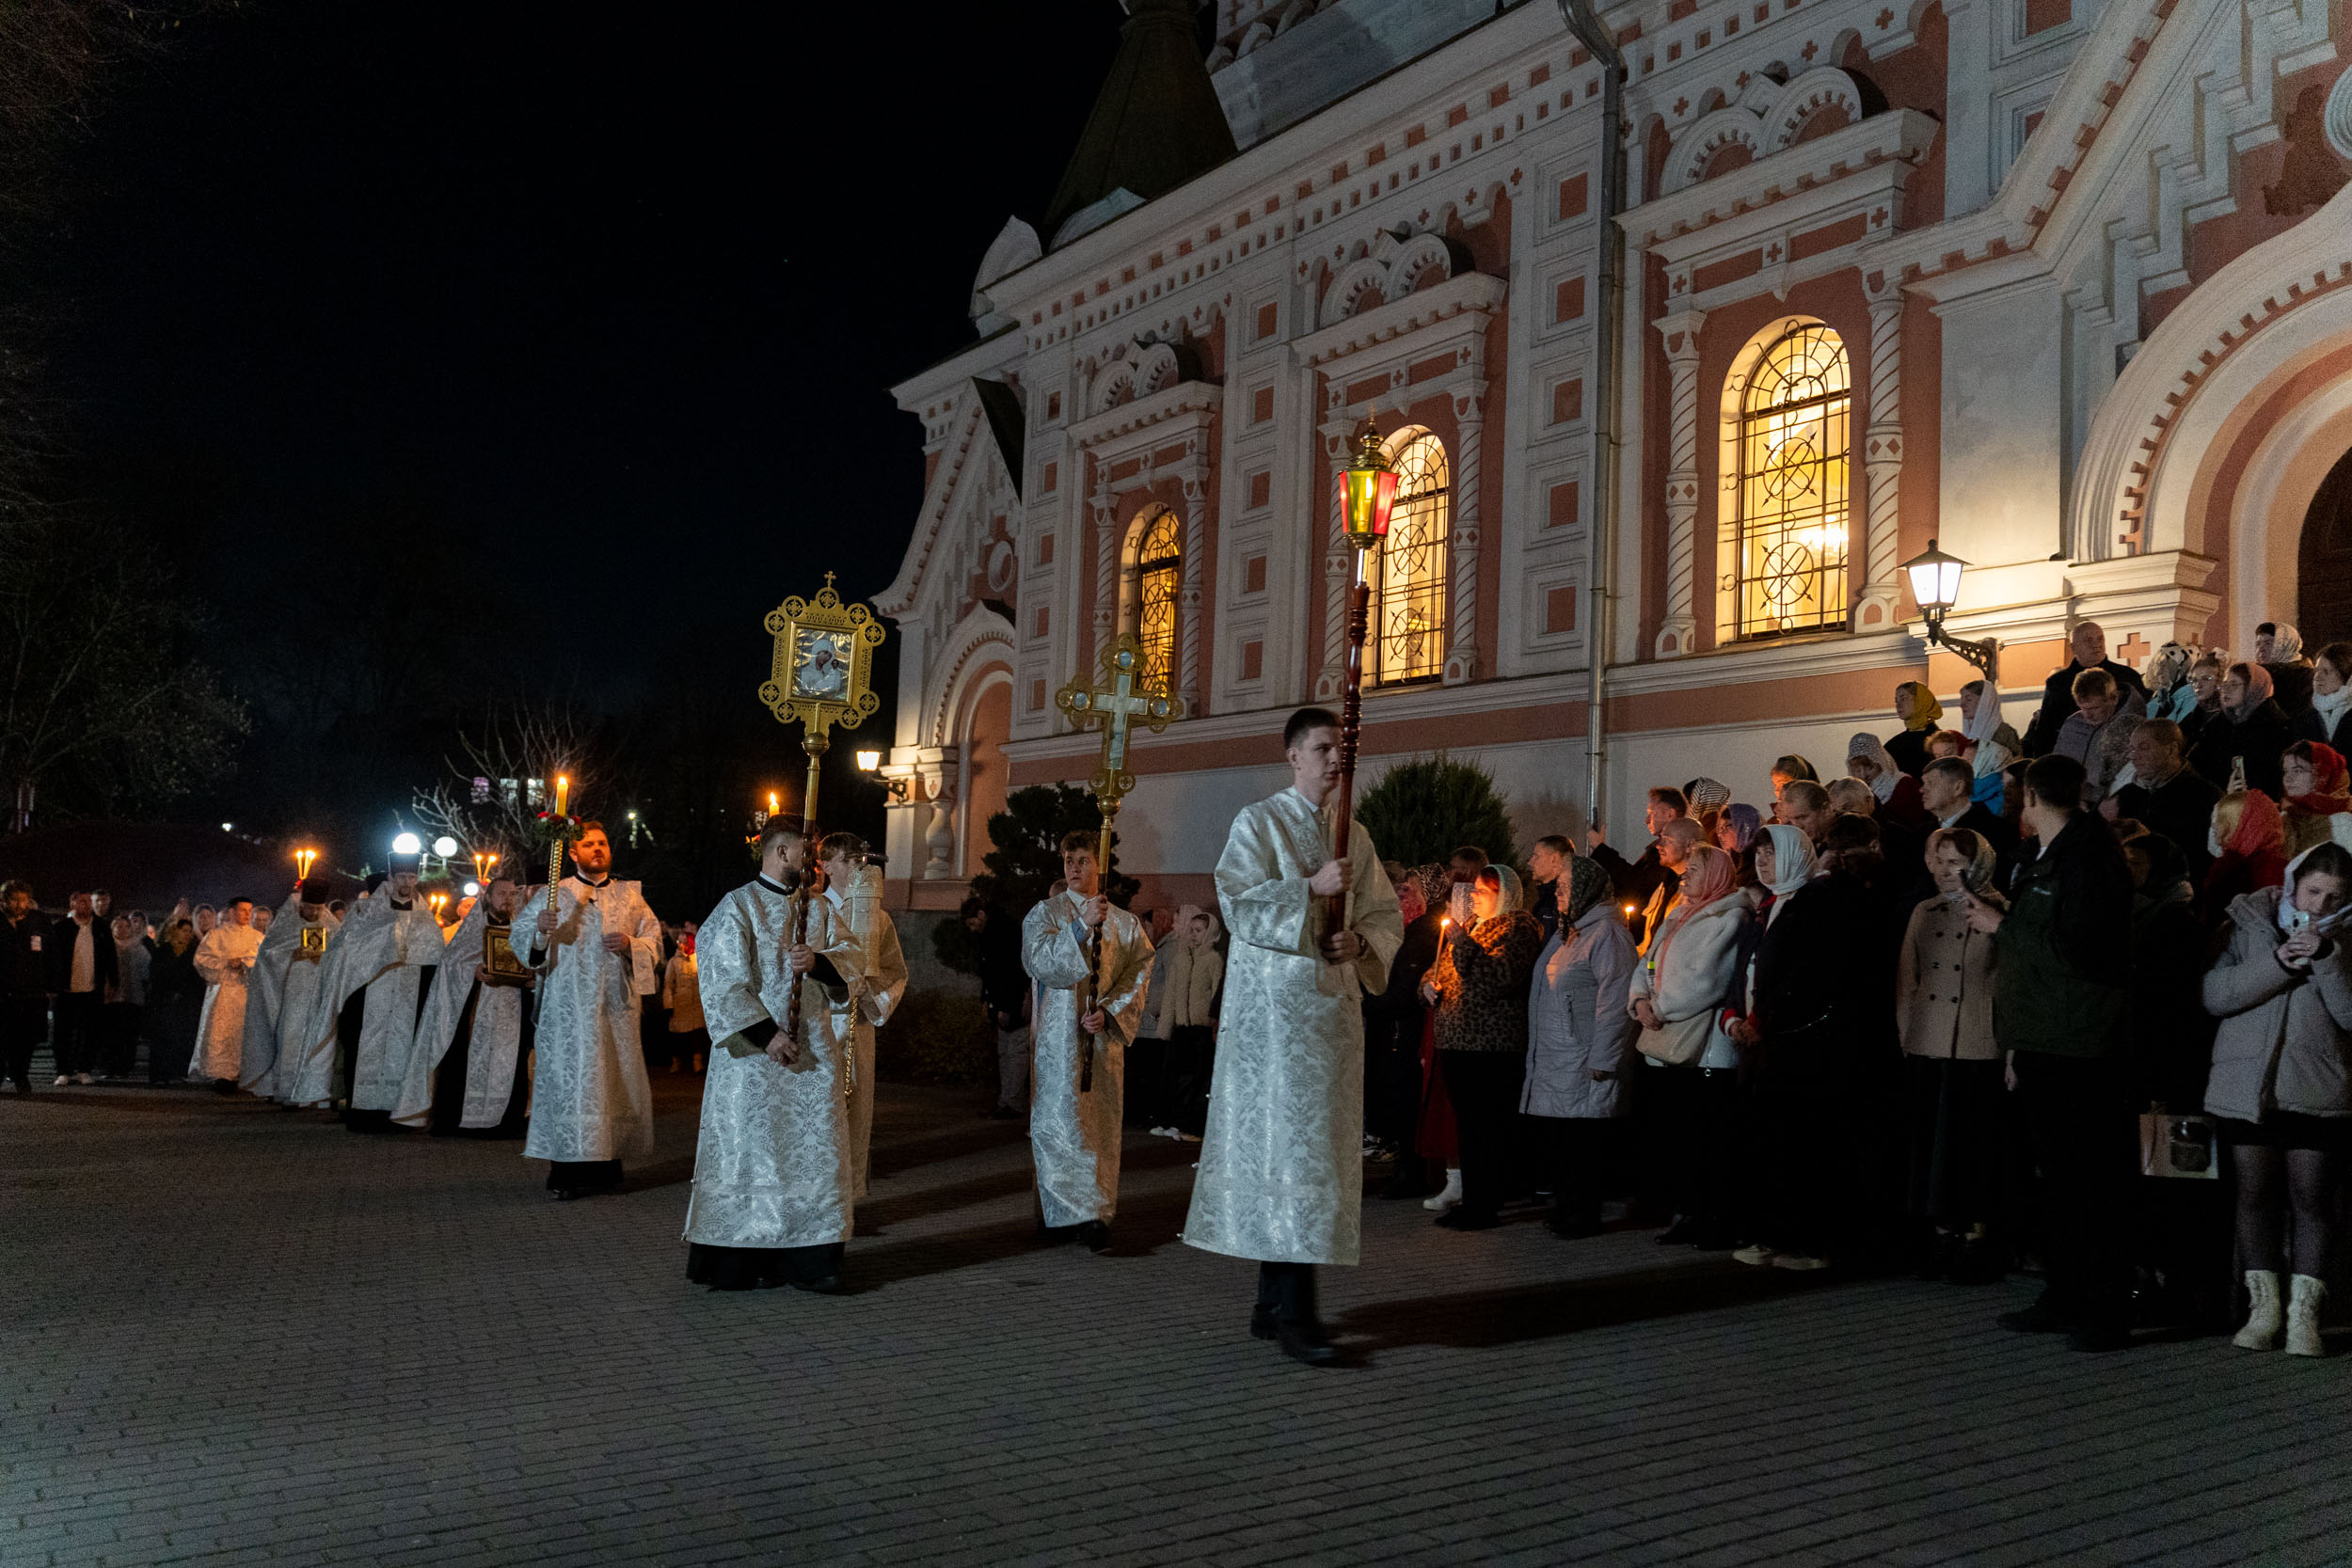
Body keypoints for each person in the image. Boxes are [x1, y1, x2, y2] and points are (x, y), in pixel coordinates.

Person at [1184, 706, 1405, 1367]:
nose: (1335, 758)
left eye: (1340, 748)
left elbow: (1383, 914)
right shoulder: (1258, 822)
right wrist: (1308, 887)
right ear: (1293, 756)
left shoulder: (1353, 833)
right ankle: (1297, 1315)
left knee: (1313, 1159)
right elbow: (1237, 902)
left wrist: (1358, 941)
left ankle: (1269, 1304)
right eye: (1322, 747)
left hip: (1331, 1022)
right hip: (1275, 1028)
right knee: (1290, 1159)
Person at [1968, 753, 2138, 1352]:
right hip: (2044, 1037)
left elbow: (2084, 950)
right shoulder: (2044, 857)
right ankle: (2066, 1294)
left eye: (2016, 793)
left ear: (2034, 797)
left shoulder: (2088, 859)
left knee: (2093, 1179)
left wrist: (2003, 926)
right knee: (2060, 1180)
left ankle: (2105, 1307)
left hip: (2080, 1042)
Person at [681, 813, 864, 1292]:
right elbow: (720, 981)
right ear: (783, 852)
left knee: (811, 1154)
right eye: (809, 849)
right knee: (754, 1154)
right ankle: (745, 1261)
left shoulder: (819, 909)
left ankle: (811, 1261)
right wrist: (767, 1035)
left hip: (812, 1057)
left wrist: (819, 962)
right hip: (753, 1063)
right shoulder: (737, 906)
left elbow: (852, 960)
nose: (815, 859)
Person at [2201, 843, 2350, 1356]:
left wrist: (2327, 959)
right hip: (2247, 1085)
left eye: (2334, 897)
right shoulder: (2248, 923)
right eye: (2312, 891)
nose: (2319, 905)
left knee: (2312, 1198)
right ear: (2292, 884)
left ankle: (2305, 1316)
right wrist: (2278, 965)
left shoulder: (2348, 938)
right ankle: (2262, 1310)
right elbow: (2215, 994)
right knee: (2254, 1194)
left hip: (2316, 1087)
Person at [1023, 831, 1154, 1250]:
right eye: (1069, 860)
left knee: (1097, 1126)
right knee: (1059, 1124)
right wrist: (1080, 928)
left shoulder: (1125, 923)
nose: (1075, 868)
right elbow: (1039, 962)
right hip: (1057, 1043)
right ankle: (1057, 1211)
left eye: (1083, 860)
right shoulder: (1045, 913)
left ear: (1099, 865)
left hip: (1101, 1043)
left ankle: (1094, 1214)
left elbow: (1139, 968)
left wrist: (1111, 1010)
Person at [517, 821, 662, 1197]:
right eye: (589, 844)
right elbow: (522, 947)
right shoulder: (555, 893)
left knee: (612, 1085)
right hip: (567, 1013)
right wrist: (539, 929)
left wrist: (631, 944)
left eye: (602, 843)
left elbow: (655, 942)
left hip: (615, 1011)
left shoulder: (630, 896)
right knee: (570, 1087)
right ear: (572, 853)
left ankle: (606, 1171)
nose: (597, 849)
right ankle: (565, 1175)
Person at [1628, 844, 1755, 1251]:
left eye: (1695, 870)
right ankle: (1686, 1213)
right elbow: (1647, 962)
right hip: (1670, 1037)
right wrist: (1640, 1000)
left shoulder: (1729, 917)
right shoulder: (1676, 915)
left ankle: (1714, 1218)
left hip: (1707, 1049)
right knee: (1679, 1137)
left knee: (1707, 1138)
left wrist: (1660, 1007)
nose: (1685, 878)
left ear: (1716, 874)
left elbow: (1708, 979)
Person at [1898, 829, 2008, 1285]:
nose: (1945, 871)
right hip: (1930, 1039)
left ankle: (1977, 1238)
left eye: (1956, 863)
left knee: (1973, 1143)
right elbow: (1908, 978)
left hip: (1979, 1041)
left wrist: (2011, 1048)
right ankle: (1943, 1234)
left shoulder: (2002, 912)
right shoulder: (1924, 912)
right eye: (1939, 861)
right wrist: (1908, 1034)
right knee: (1934, 1143)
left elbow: (2009, 985)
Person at [1420, 863, 1544, 1231]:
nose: (1473, 896)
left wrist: (1462, 942)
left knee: (1486, 1128)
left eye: (1482, 891)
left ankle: (1484, 1205)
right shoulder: (1471, 925)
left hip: (1490, 1047)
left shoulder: (1517, 928)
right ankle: (1474, 1199)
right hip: (1458, 1043)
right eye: (1473, 890)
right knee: (1469, 1127)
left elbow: (1497, 979)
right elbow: (1439, 967)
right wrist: (1427, 985)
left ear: (1503, 895)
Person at [1522, 857, 1639, 1239]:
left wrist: (1605, 1057)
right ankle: (1567, 1207)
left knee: (1583, 1142)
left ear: (1587, 889)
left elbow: (1615, 1000)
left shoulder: (1607, 934)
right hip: (1559, 1054)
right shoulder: (1569, 931)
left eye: (1566, 885)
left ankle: (1583, 1214)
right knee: (1565, 1139)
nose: (1558, 891)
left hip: (1585, 1055)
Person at [309, 854, 447, 1132]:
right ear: (391, 877)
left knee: (402, 1052)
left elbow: (435, 956)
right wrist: (380, 958)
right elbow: (345, 951)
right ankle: (362, 1113)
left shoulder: (425, 917)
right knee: (364, 1051)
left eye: (411, 877)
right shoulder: (367, 911)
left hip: (408, 996)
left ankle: (397, 1114)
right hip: (369, 994)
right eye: (401, 877)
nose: (406, 882)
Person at [396, 874, 534, 1136]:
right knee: (467, 1059)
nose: (508, 899)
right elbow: (451, 963)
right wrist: (474, 971)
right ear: (488, 898)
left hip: (511, 1007)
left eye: (512, 894)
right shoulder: (472, 930)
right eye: (502, 894)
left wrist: (530, 975)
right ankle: (462, 1119)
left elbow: (533, 964)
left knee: (510, 1063)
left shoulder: (522, 930)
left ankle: (505, 1122)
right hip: (475, 1008)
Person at [820, 832, 907, 1199]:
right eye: (848, 860)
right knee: (821, 1109)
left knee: (856, 1110)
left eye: (861, 861)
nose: (857, 867)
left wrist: (869, 992)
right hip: (821, 1023)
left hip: (859, 1022)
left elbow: (894, 971)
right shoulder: (812, 911)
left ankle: (849, 1198)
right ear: (826, 865)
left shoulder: (878, 917)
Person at [1367, 864, 1445, 1199]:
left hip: (1407, 1032)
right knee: (1396, 1103)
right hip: (1393, 1029)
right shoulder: (1407, 932)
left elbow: (1406, 991)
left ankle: (1412, 1174)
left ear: (1426, 897)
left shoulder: (1423, 936)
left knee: (1405, 1104)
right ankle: (1405, 1169)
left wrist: (1367, 1004)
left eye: (1407, 891)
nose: (1399, 896)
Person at [257, 879, 342, 1108]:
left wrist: (325, 957)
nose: (314, 913)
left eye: (318, 908)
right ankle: (287, 1090)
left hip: (320, 994)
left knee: (317, 1039)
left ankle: (313, 1090)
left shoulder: (331, 926)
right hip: (294, 994)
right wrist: (292, 955)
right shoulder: (286, 924)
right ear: (301, 904)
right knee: (291, 1039)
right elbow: (267, 955)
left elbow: (341, 954)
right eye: (310, 908)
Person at [2104, 720, 2219, 884]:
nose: (2133, 756)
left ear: (2171, 749)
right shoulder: (2126, 795)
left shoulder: (2205, 795)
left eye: (2144, 748)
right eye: (2132, 749)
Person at [2026, 621, 2149, 756]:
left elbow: (2143, 718)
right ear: (2074, 647)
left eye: (2100, 639)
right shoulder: (2058, 683)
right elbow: (2046, 729)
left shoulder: (2127, 676)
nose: (2096, 645)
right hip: (2071, 753)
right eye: (2089, 640)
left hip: (2118, 753)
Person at [1152, 909, 1223, 1141]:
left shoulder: (1213, 960)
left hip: (1202, 1028)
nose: (1193, 935)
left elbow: (1218, 993)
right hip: (1181, 1027)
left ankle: (1188, 1125)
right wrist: (1166, 1026)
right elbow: (1170, 995)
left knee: (1194, 1079)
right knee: (1173, 1075)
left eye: (1198, 931)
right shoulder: (1181, 959)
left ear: (1210, 933)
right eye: (1191, 930)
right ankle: (1170, 1120)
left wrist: (1215, 1022)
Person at [964, 897, 1030, 1120]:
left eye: (973, 923)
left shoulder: (1002, 934)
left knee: (1015, 1053)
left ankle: (1013, 1102)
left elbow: (1008, 974)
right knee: (1007, 1053)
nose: (973, 929)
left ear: (981, 914)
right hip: (1005, 1003)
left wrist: (1005, 1006)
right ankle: (1007, 1101)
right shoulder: (994, 933)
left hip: (1012, 1004)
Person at [189, 897, 264, 1090]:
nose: (247, 914)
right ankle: (221, 1075)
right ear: (232, 912)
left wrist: (245, 963)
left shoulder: (258, 937)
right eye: (243, 910)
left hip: (246, 993)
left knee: (243, 1035)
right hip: (222, 992)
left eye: (249, 910)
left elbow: (264, 963)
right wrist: (226, 963)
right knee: (220, 1034)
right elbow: (201, 960)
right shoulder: (216, 935)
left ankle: (244, 1073)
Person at [2190, 662, 2293, 798]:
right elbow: (2198, 762)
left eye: (2234, 684)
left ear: (2253, 687)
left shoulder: (2275, 727)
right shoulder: (2219, 723)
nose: (2226, 690)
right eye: (2225, 684)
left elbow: (2270, 779)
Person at [46, 890, 116, 1085]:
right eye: (82, 901)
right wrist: (51, 984)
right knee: (63, 1032)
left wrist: (112, 982)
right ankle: (63, 1071)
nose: (86, 905)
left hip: (92, 989)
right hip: (66, 990)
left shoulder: (101, 927)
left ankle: (84, 1069)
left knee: (90, 1032)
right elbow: (52, 958)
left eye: (88, 901)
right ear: (73, 904)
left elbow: (110, 956)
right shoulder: (61, 927)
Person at [1589, 787, 1687, 919]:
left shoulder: (1673, 851)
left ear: (1670, 814)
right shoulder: (1660, 848)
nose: (1647, 820)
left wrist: (1600, 848)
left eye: (1652, 813)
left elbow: (1637, 886)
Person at [2200, 790, 2288, 925]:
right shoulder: (2281, 866)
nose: (2213, 826)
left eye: (2221, 819)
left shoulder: (2233, 867)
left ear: (2240, 824)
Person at [2054, 669, 2138, 806]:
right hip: (2070, 805)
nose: (2088, 715)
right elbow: (2056, 766)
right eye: (2083, 708)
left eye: (2094, 708)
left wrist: (2093, 795)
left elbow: (2132, 778)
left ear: (2114, 698)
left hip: (2109, 808)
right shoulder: (2073, 724)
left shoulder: (2132, 728)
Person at [143, 919, 202, 1085]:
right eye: (184, 930)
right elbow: (156, 974)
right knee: (161, 1037)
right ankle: (158, 1074)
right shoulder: (163, 951)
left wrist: (182, 992)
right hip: (163, 1001)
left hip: (184, 1003)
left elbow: (195, 978)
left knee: (180, 1037)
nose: (187, 934)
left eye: (190, 931)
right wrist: (168, 991)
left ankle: (177, 1071)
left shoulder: (193, 952)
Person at [1627, 817, 1701, 948]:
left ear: (1690, 846)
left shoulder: (1698, 893)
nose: (1659, 846)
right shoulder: (1665, 886)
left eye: (1667, 840)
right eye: (1661, 839)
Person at [2, 880, 45, 1094]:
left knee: (26, 1038)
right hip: (3, 991)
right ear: (5, 900)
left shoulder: (37, 921)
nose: (20, 904)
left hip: (30, 990)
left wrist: (50, 983)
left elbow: (49, 953)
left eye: (23, 899)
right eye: (15, 900)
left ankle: (21, 1076)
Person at [2279, 741, 2349, 858]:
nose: (2288, 778)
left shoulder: (2342, 823)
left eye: (2298, 771)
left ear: (2323, 775)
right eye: (2286, 771)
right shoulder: (2284, 816)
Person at [1958, 677, 2022, 805]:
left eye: (1968, 699)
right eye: (1962, 699)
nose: (1962, 705)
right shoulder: (1969, 734)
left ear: (1985, 702)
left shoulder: (2005, 733)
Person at [103, 914, 150, 1080]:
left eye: (126, 926)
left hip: (133, 997)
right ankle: (110, 1067)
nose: (122, 930)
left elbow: (146, 973)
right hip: (111, 997)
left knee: (129, 1035)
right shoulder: (106, 947)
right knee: (111, 1034)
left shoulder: (140, 949)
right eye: (119, 926)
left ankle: (125, 1067)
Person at [660, 919, 707, 1073]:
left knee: (698, 1035)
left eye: (684, 942)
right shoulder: (674, 961)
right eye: (679, 942)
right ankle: (676, 1062)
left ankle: (698, 1063)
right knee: (677, 1036)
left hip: (697, 1003)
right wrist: (668, 1004)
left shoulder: (699, 959)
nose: (681, 945)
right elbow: (668, 985)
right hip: (680, 1004)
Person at [2295, 641, 2351, 752]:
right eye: (2316, 670)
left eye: (2326, 672)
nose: (2317, 677)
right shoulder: (2304, 719)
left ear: (2346, 675)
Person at [2254, 622, 2314, 719]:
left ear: (2286, 645)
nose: (2261, 649)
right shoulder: (2255, 675)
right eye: (2258, 644)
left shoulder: (2304, 676)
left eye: (2268, 643)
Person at [1885, 681, 1944, 778]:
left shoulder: (1939, 740)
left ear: (1920, 701)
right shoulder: (1894, 744)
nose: (1898, 705)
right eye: (1896, 700)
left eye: (1904, 699)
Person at [1528, 834, 1572, 942]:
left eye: (1536, 856)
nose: (1530, 862)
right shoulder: (1544, 899)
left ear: (1554, 859)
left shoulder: (1561, 902)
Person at [2142, 641, 2200, 724]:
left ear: (2179, 668)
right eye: (2157, 665)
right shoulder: (2160, 692)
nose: (2158, 671)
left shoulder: (2190, 696)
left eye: (2164, 666)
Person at [1716, 804, 1764, 885]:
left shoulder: (1760, 864)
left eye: (1726, 826)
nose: (1720, 834)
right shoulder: (1736, 859)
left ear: (1743, 827)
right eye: (1720, 828)